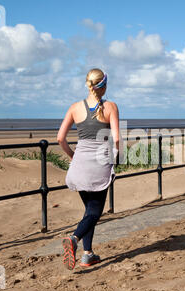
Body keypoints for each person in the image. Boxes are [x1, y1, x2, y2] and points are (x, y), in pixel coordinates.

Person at [57, 68, 120, 270]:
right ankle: (74, 239)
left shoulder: (75, 108)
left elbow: (60, 138)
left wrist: (72, 156)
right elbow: (117, 139)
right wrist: (115, 159)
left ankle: (87, 254)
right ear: (104, 86)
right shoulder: (111, 107)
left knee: (89, 210)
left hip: (79, 164)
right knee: (95, 211)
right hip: (99, 164)